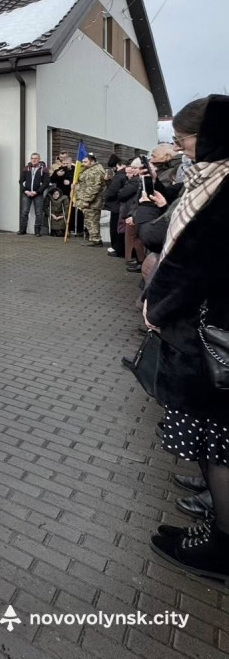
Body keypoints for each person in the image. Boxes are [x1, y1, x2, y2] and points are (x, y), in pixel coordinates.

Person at [145, 95, 229, 581]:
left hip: (211, 332)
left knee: (219, 440)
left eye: (185, 140)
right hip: (202, 326)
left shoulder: (222, 187)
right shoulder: (208, 179)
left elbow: (195, 263)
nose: (180, 149)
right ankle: (216, 521)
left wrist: (157, 306)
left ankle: (222, 545)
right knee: (214, 440)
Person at [74, 154, 107, 246]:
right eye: (83, 162)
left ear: (92, 161)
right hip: (88, 199)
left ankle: (95, 239)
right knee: (89, 219)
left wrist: (87, 200)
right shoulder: (89, 169)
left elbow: (94, 187)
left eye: (85, 162)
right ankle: (93, 237)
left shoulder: (95, 171)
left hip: (93, 201)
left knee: (92, 220)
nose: (83, 164)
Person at [18, 152, 49, 235]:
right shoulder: (26, 168)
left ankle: (37, 231)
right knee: (24, 212)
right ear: (30, 159)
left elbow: (46, 183)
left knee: (39, 212)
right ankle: (22, 230)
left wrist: (37, 192)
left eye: (36, 158)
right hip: (26, 193)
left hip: (38, 194)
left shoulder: (44, 169)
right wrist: (25, 191)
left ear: (39, 159)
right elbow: (21, 181)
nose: (34, 160)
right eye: (32, 158)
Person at [102, 156, 128, 256]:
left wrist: (107, 196)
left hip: (116, 206)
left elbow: (112, 191)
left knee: (115, 228)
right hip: (121, 206)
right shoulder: (125, 176)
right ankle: (118, 248)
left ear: (119, 165)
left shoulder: (119, 176)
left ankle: (117, 248)